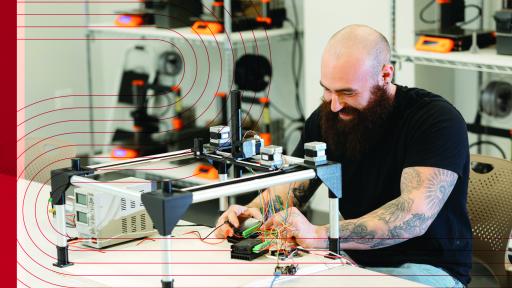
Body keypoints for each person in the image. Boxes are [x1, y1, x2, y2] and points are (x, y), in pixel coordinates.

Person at [214, 24, 471, 287]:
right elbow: (292, 188)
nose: (335, 104)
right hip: (351, 260)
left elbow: (413, 216)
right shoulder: (327, 119)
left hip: (428, 268)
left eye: (348, 92)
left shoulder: (435, 121)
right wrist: (253, 214)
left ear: (385, 74)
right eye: (327, 90)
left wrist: (320, 235)